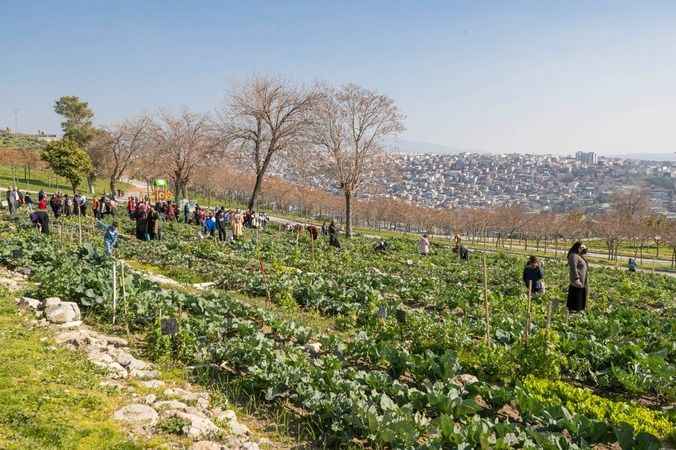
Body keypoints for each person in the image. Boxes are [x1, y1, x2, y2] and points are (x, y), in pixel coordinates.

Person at [567, 242, 588, 313]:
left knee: (580, 295)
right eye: (580, 248)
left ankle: (578, 311)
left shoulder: (578, 255)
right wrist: (576, 279)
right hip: (577, 280)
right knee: (576, 295)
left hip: (582, 280)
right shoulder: (573, 255)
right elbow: (573, 268)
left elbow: (585, 253)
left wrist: (584, 249)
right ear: (576, 247)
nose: (581, 249)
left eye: (582, 248)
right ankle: (573, 311)